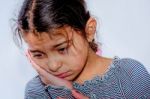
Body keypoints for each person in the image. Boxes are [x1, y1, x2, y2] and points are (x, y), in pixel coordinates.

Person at [13, 0, 150, 98]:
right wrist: (62, 88)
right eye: (38, 55)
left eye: (62, 49)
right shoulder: (37, 91)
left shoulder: (130, 75)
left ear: (89, 31)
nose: (53, 66)